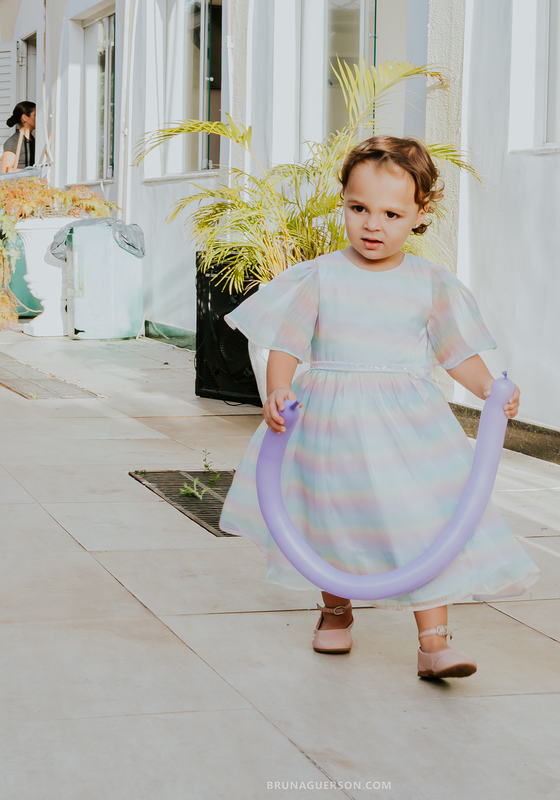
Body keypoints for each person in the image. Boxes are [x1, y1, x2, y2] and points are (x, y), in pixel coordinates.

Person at [219, 135, 541, 679]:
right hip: (330, 423)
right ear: (342, 202)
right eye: (359, 208)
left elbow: (455, 352)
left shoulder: (430, 283)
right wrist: (277, 388)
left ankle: (434, 639)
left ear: (420, 214)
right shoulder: (321, 275)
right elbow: (288, 344)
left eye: (392, 213)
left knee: (425, 521)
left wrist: (488, 388)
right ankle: (336, 611)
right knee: (331, 516)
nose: (373, 225)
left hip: (408, 428)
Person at [1, 101, 36, 172]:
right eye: (35, 115)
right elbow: (5, 170)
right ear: (24, 118)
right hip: (19, 182)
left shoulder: (33, 140)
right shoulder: (13, 142)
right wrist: (30, 172)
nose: (38, 118)